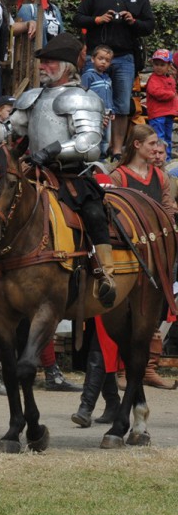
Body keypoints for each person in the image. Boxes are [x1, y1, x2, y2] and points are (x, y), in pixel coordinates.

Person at [0, 32, 118, 307]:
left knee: (94, 214)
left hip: (70, 175)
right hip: (31, 173)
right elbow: (5, 135)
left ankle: (105, 272)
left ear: (66, 66)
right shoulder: (32, 97)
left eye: (49, 62)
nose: (42, 66)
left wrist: (50, 151)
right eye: (42, 61)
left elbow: (90, 143)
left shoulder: (83, 98)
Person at [107, 124, 178, 391]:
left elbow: (168, 210)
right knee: (125, 313)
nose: (157, 148)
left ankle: (147, 368)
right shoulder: (118, 176)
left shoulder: (160, 177)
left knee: (153, 312)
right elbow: (111, 213)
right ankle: (124, 369)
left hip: (157, 252)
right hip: (128, 253)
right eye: (151, 144)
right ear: (137, 145)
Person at [72, 0, 155, 160]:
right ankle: (90, 146)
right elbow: (77, 18)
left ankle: (116, 150)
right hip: (95, 57)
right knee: (89, 102)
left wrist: (133, 21)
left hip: (124, 57)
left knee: (122, 105)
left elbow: (149, 26)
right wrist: (97, 20)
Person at [81, 44, 115, 157]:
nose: (103, 62)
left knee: (106, 136)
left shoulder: (107, 78)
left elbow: (110, 95)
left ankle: (102, 157)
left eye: (107, 60)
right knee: (95, 134)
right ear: (92, 59)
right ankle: (92, 157)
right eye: (100, 59)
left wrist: (112, 110)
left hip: (107, 112)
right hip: (94, 112)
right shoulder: (88, 76)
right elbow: (83, 94)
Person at [145, 50, 177, 160]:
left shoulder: (170, 79)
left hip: (168, 113)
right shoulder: (153, 79)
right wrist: (171, 94)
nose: (158, 67)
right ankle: (158, 158)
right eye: (156, 64)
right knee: (159, 137)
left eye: (162, 65)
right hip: (157, 113)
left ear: (169, 66)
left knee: (167, 136)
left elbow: (174, 97)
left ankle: (167, 157)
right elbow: (156, 92)